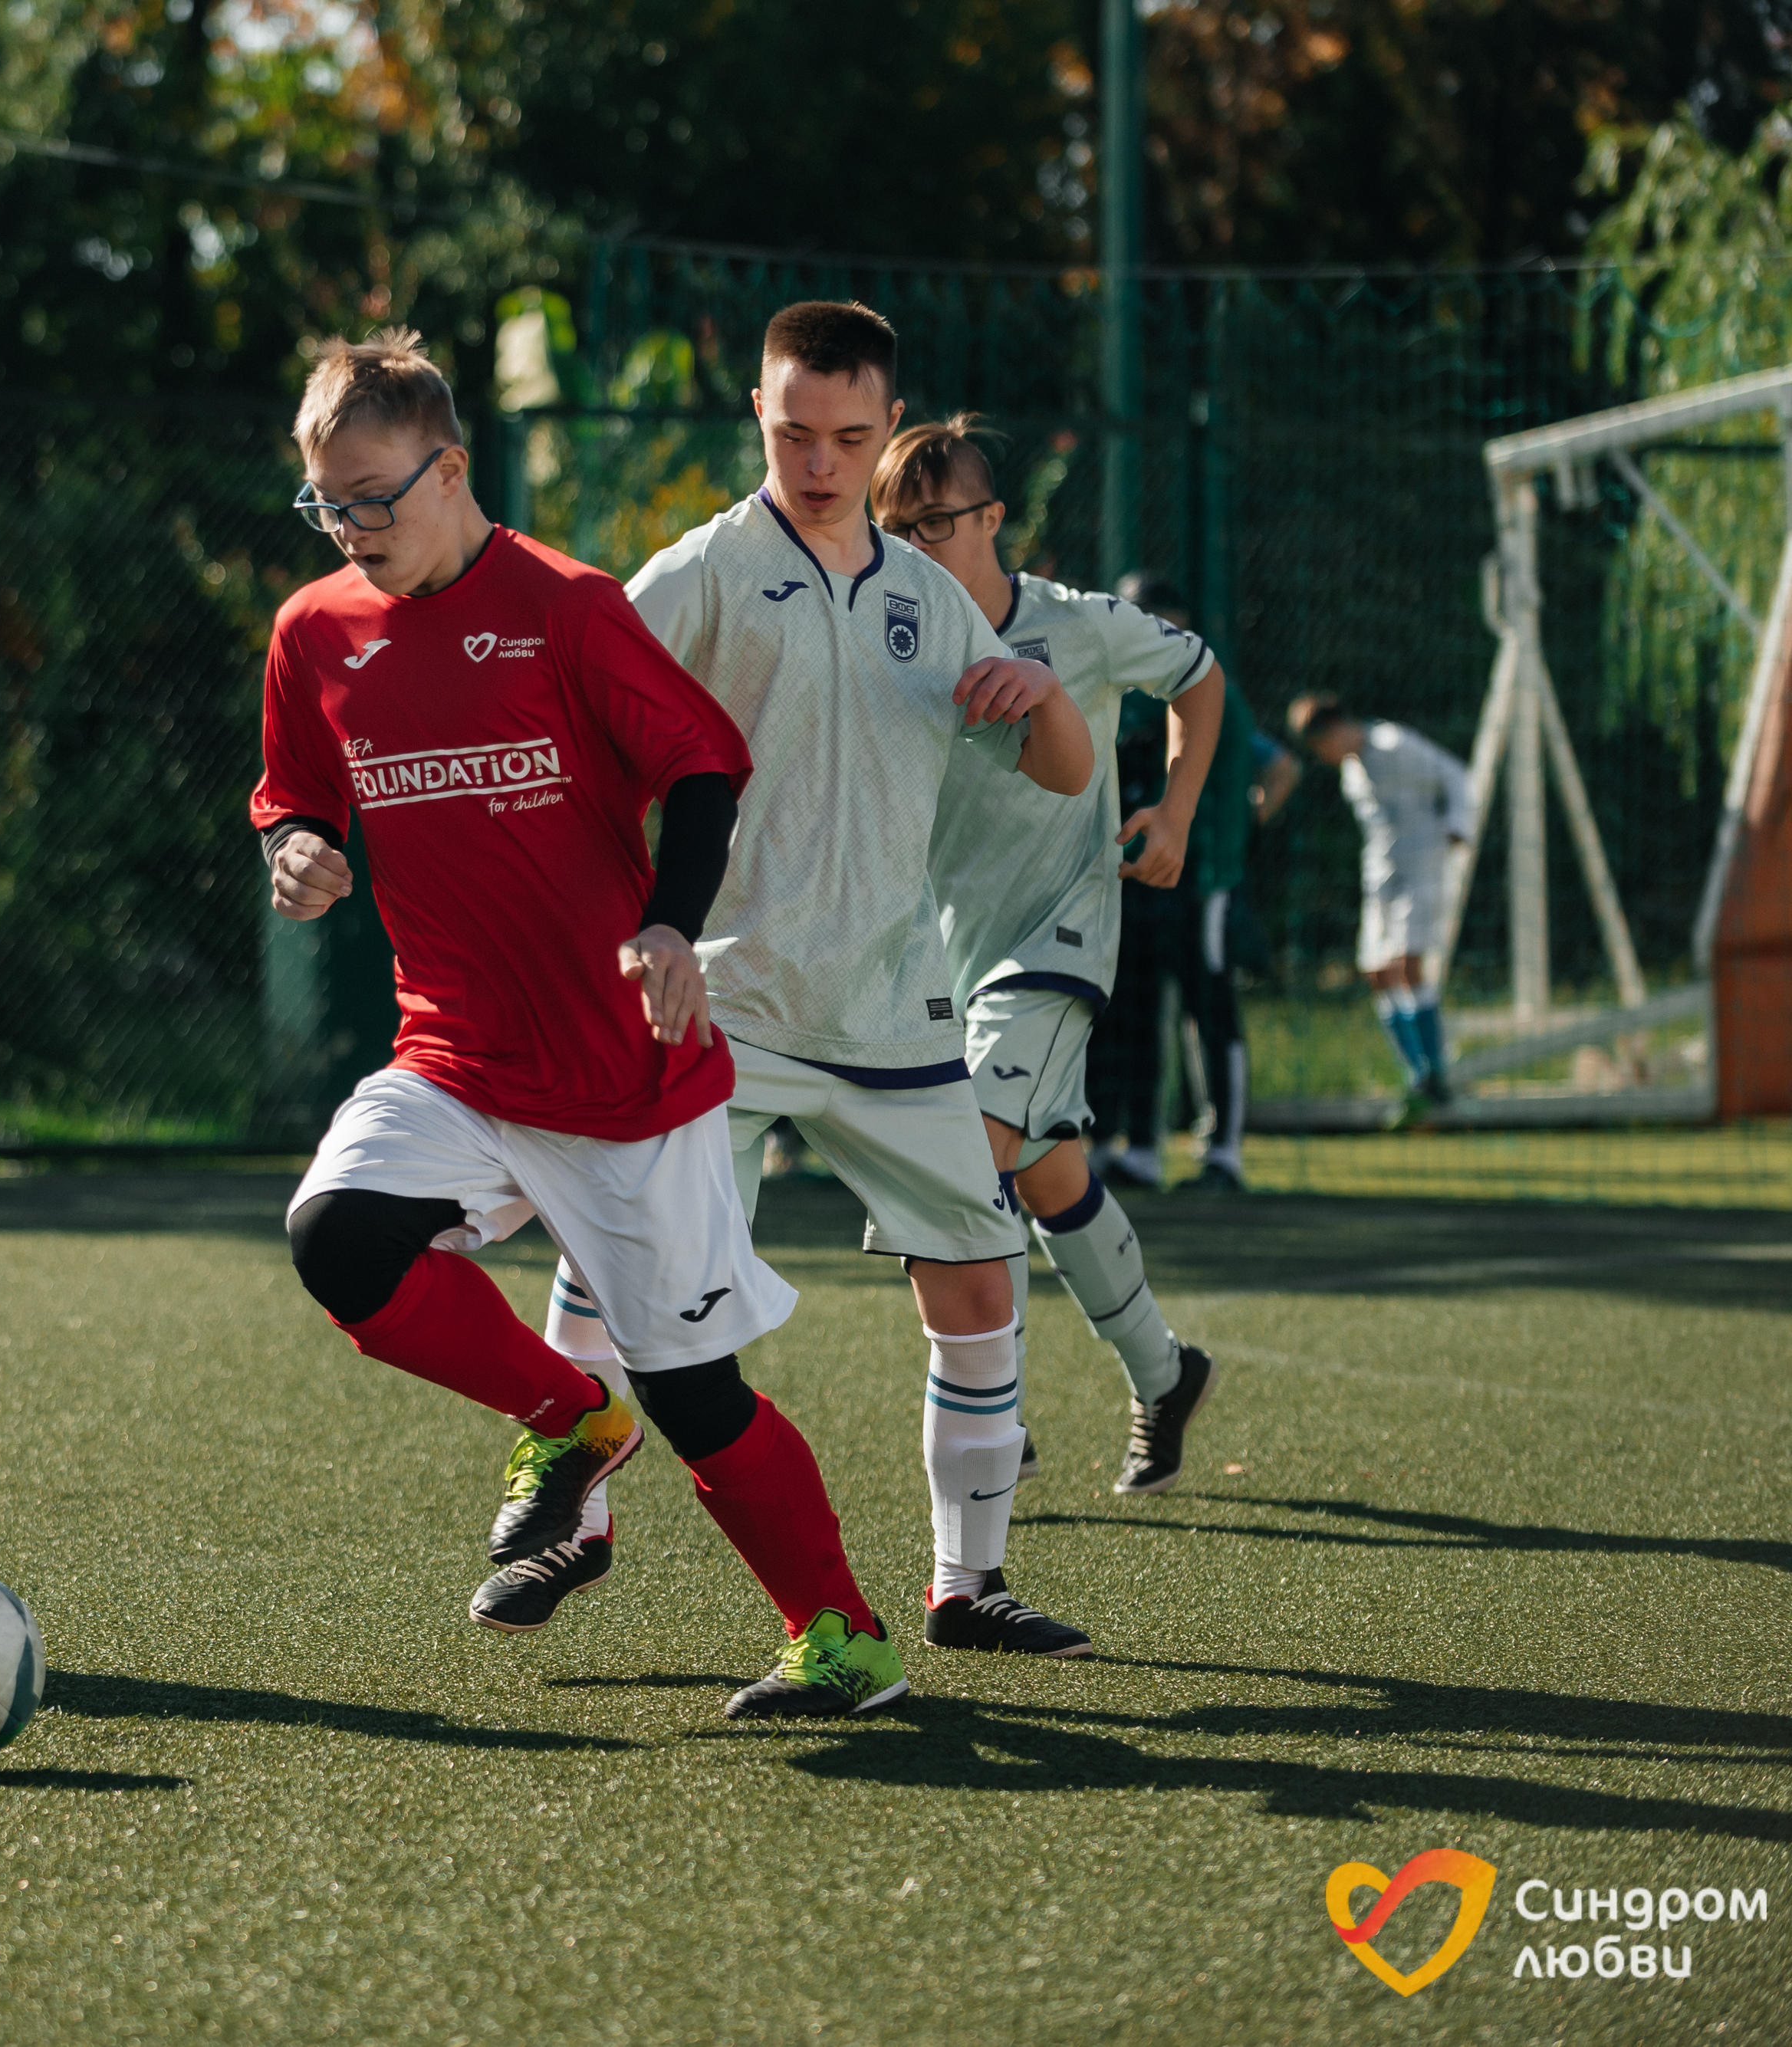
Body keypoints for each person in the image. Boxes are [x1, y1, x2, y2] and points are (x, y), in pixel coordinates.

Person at [261, 327, 902, 1720]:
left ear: (452, 468)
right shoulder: (315, 631)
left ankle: (843, 1637)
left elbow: (706, 771)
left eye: (373, 495)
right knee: (340, 1241)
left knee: (702, 1398)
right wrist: (298, 849)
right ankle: (569, 1411)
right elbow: (295, 792)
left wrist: (670, 923)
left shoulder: (566, 604)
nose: (351, 528)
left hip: (622, 1076)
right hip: (451, 1053)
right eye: (328, 502)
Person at [511, 303, 1100, 1657]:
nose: (821, 461)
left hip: (897, 1013)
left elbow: (1065, 774)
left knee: (979, 1287)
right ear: (760, 421)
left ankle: (971, 1586)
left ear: (887, 430)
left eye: (848, 436)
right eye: (794, 433)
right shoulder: (699, 575)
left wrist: (1038, 698)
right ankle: (568, 1526)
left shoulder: (925, 595)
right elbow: (580, 744)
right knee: (614, 1254)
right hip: (729, 1007)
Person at [873, 419, 1226, 1497]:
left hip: (1060, 936)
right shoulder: (882, 632)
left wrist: (1174, 812)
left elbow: (1202, 677)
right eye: (899, 527)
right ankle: (1166, 1375)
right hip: (940, 959)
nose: (920, 545)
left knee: (962, 1155)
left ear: (993, 520)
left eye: (941, 523)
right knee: (1048, 1170)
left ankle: (996, 1417)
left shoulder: (1077, 624)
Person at [1087, 576, 1264, 1192]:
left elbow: (1272, 766)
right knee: (1129, 1009)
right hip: (1136, 879)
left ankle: (1224, 1152)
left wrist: (1224, 839)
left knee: (1207, 1007)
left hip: (1204, 878)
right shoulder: (1128, 697)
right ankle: (1138, 1146)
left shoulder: (1210, 691)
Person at [1287, 692, 1474, 1115]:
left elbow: (1454, 774)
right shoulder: (1352, 772)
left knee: (1409, 966)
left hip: (1421, 866)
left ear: (1336, 730)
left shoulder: (1394, 744)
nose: (1324, 756)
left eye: (1322, 746)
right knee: (1376, 971)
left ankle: (1435, 1073)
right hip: (1381, 876)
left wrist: (1457, 826)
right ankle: (1416, 1075)